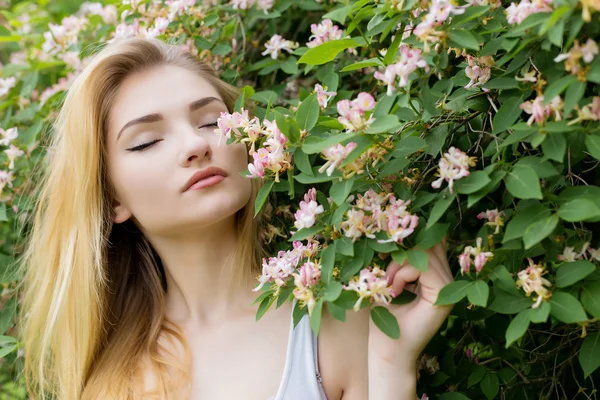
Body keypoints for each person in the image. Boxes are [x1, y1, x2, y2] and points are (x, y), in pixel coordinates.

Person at [17, 36, 453, 400]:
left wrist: (391, 366)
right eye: (147, 141)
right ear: (111, 199)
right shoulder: (111, 381)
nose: (195, 144)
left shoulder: (334, 324)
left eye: (211, 121)